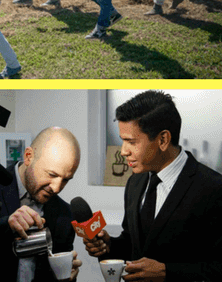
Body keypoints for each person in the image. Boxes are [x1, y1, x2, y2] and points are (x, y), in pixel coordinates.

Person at [84, 90, 222, 281]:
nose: (123, 151)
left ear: (163, 140)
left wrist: (167, 273)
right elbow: (134, 243)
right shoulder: (135, 182)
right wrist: (110, 246)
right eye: (122, 140)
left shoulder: (213, 189)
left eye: (131, 142)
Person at [0, 127, 83, 282]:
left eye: (65, 179)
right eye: (52, 175)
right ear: (28, 156)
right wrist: (6, 226)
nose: (56, 188)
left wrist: (66, 278)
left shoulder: (65, 214)